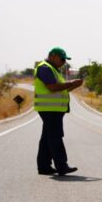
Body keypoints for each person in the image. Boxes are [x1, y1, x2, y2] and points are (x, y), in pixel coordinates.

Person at [34, 47, 82, 176]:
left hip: (53, 109)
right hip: (49, 109)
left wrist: (73, 85)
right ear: (53, 56)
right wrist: (71, 82)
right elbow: (52, 87)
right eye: (62, 59)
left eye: (65, 60)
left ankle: (44, 167)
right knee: (55, 137)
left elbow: (61, 90)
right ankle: (62, 166)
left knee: (47, 138)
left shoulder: (54, 70)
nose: (63, 62)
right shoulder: (44, 68)